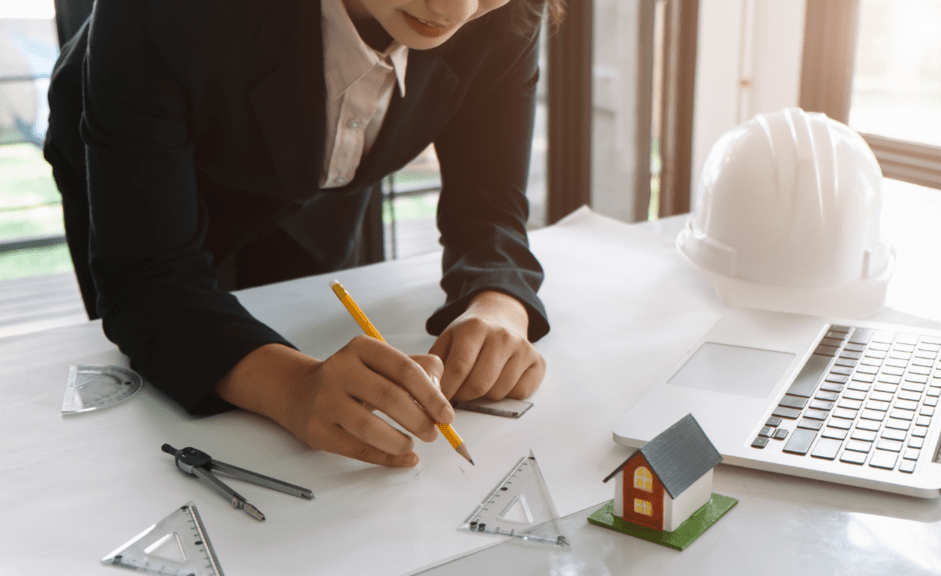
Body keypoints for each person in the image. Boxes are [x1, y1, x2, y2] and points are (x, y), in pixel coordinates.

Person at [43, 0, 564, 467]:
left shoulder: (508, 11)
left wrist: (499, 306)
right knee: (173, 396)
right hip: (142, 163)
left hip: (318, 175)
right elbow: (148, 279)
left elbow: (491, 206)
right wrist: (294, 386)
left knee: (326, 368)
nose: (454, 8)